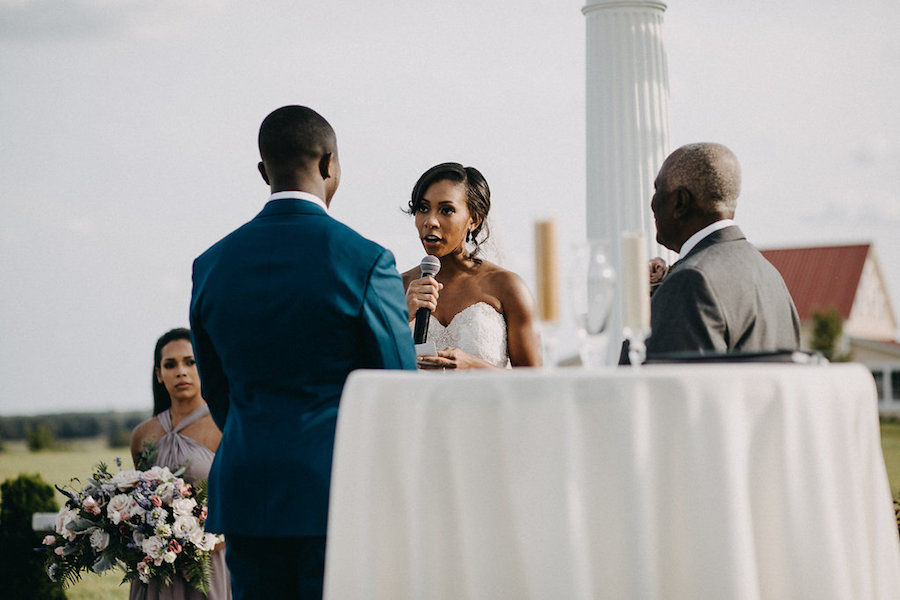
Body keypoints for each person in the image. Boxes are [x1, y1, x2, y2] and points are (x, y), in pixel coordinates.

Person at [189, 105, 417, 600]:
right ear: (330, 163)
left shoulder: (211, 265)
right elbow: (400, 389)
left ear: (262, 170)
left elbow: (217, 389)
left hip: (249, 488)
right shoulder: (366, 260)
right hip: (338, 492)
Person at [624, 142, 800, 361]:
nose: (652, 203)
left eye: (658, 189)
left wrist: (639, 306)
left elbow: (656, 386)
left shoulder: (692, 281)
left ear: (680, 202)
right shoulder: (771, 276)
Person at [402, 162, 542, 369]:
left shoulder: (507, 287)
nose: (430, 221)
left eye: (446, 210)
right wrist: (402, 319)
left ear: (474, 220)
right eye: (423, 208)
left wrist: (474, 367)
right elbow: (372, 375)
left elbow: (536, 387)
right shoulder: (397, 287)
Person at [129, 328, 231, 600]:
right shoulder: (142, 435)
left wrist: (200, 545)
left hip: (205, 568)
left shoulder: (225, 426)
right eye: (170, 365)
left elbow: (240, 501)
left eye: (191, 361)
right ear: (159, 374)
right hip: (155, 571)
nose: (181, 371)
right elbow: (138, 504)